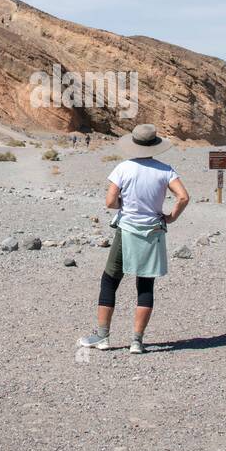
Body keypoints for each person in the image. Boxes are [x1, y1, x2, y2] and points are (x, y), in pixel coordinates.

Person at [78, 124, 189, 354]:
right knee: (145, 284)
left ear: (134, 144)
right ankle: (137, 342)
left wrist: (123, 205)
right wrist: (170, 217)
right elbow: (183, 197)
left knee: (110, 280)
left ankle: (102, 336)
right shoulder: (166, 170)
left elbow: (109, 202)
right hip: (153, 232)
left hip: (126, 230)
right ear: (154, 145)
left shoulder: (123, 168)